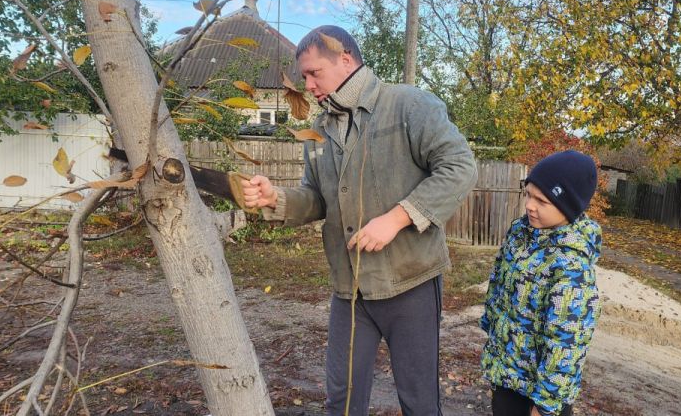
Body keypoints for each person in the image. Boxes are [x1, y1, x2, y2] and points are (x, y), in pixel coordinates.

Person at [240, 25, 477, 416]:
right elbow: (317, 199)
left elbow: (459, 167)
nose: (308, 85)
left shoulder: (408, 105)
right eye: (304, 76)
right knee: (342, 401)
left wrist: (397, 218)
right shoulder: (318, 132)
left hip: (411, 283)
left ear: (346, 60)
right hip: (349, 290)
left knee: (419, 402)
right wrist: (275, 198)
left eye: (314, 73)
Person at [480, 150, 602, 416]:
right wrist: (491, 323)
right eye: (528, 195)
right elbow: (499, 280)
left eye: (542, 201)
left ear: (568, 206)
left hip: (539, 393)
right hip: (507, 372)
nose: (529, 206)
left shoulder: (570, 265)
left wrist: (544, 407)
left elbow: (567, 343)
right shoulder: (521, 233)